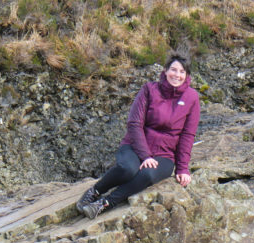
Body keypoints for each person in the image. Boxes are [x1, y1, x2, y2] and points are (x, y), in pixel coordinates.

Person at [77, 54, 201, 217]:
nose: (177, 75)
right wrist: (145, 155)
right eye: (173, 70)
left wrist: (183, 168)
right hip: (135, 146)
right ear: (165, 71)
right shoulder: (149, 89)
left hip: (165, 154)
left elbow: (187, 135)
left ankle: (106, 203)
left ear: (187, 75)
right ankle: (95, 191)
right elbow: (134, 124)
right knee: (128, 169)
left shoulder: (192, 98)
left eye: (182, 72)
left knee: (147, 174)